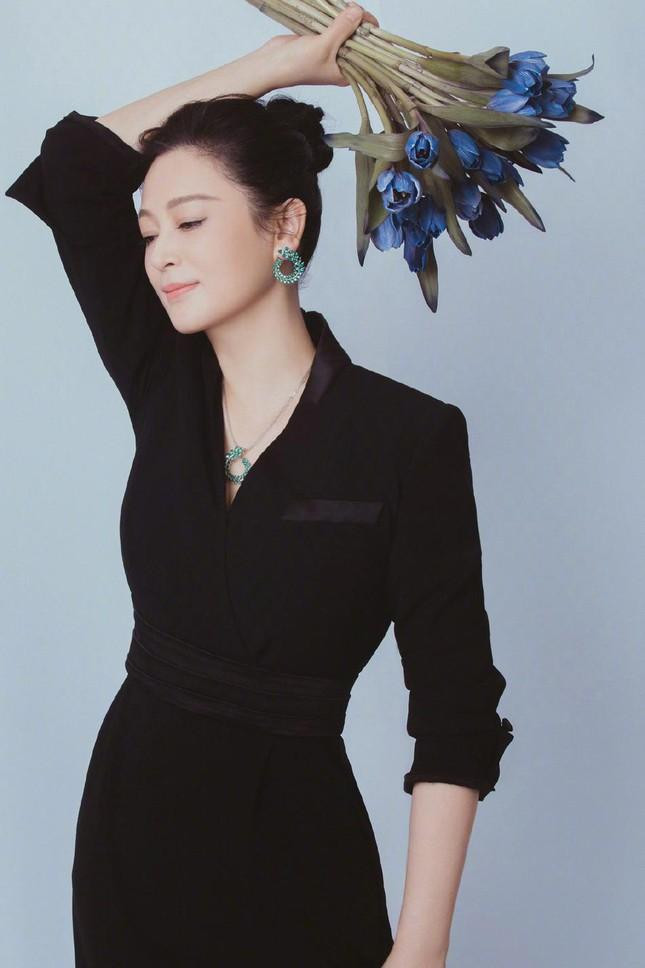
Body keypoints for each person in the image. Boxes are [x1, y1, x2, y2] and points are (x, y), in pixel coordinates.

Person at [5, 4, 514, 966]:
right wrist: (274, 66)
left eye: (191, 221)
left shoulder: (409, 439)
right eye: (148, 229)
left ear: (285, 223)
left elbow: (455, 712)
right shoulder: (163, 375)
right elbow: (71, 167)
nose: (160, 252)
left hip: (297, 865)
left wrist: (419, 949)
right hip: (127, 850)